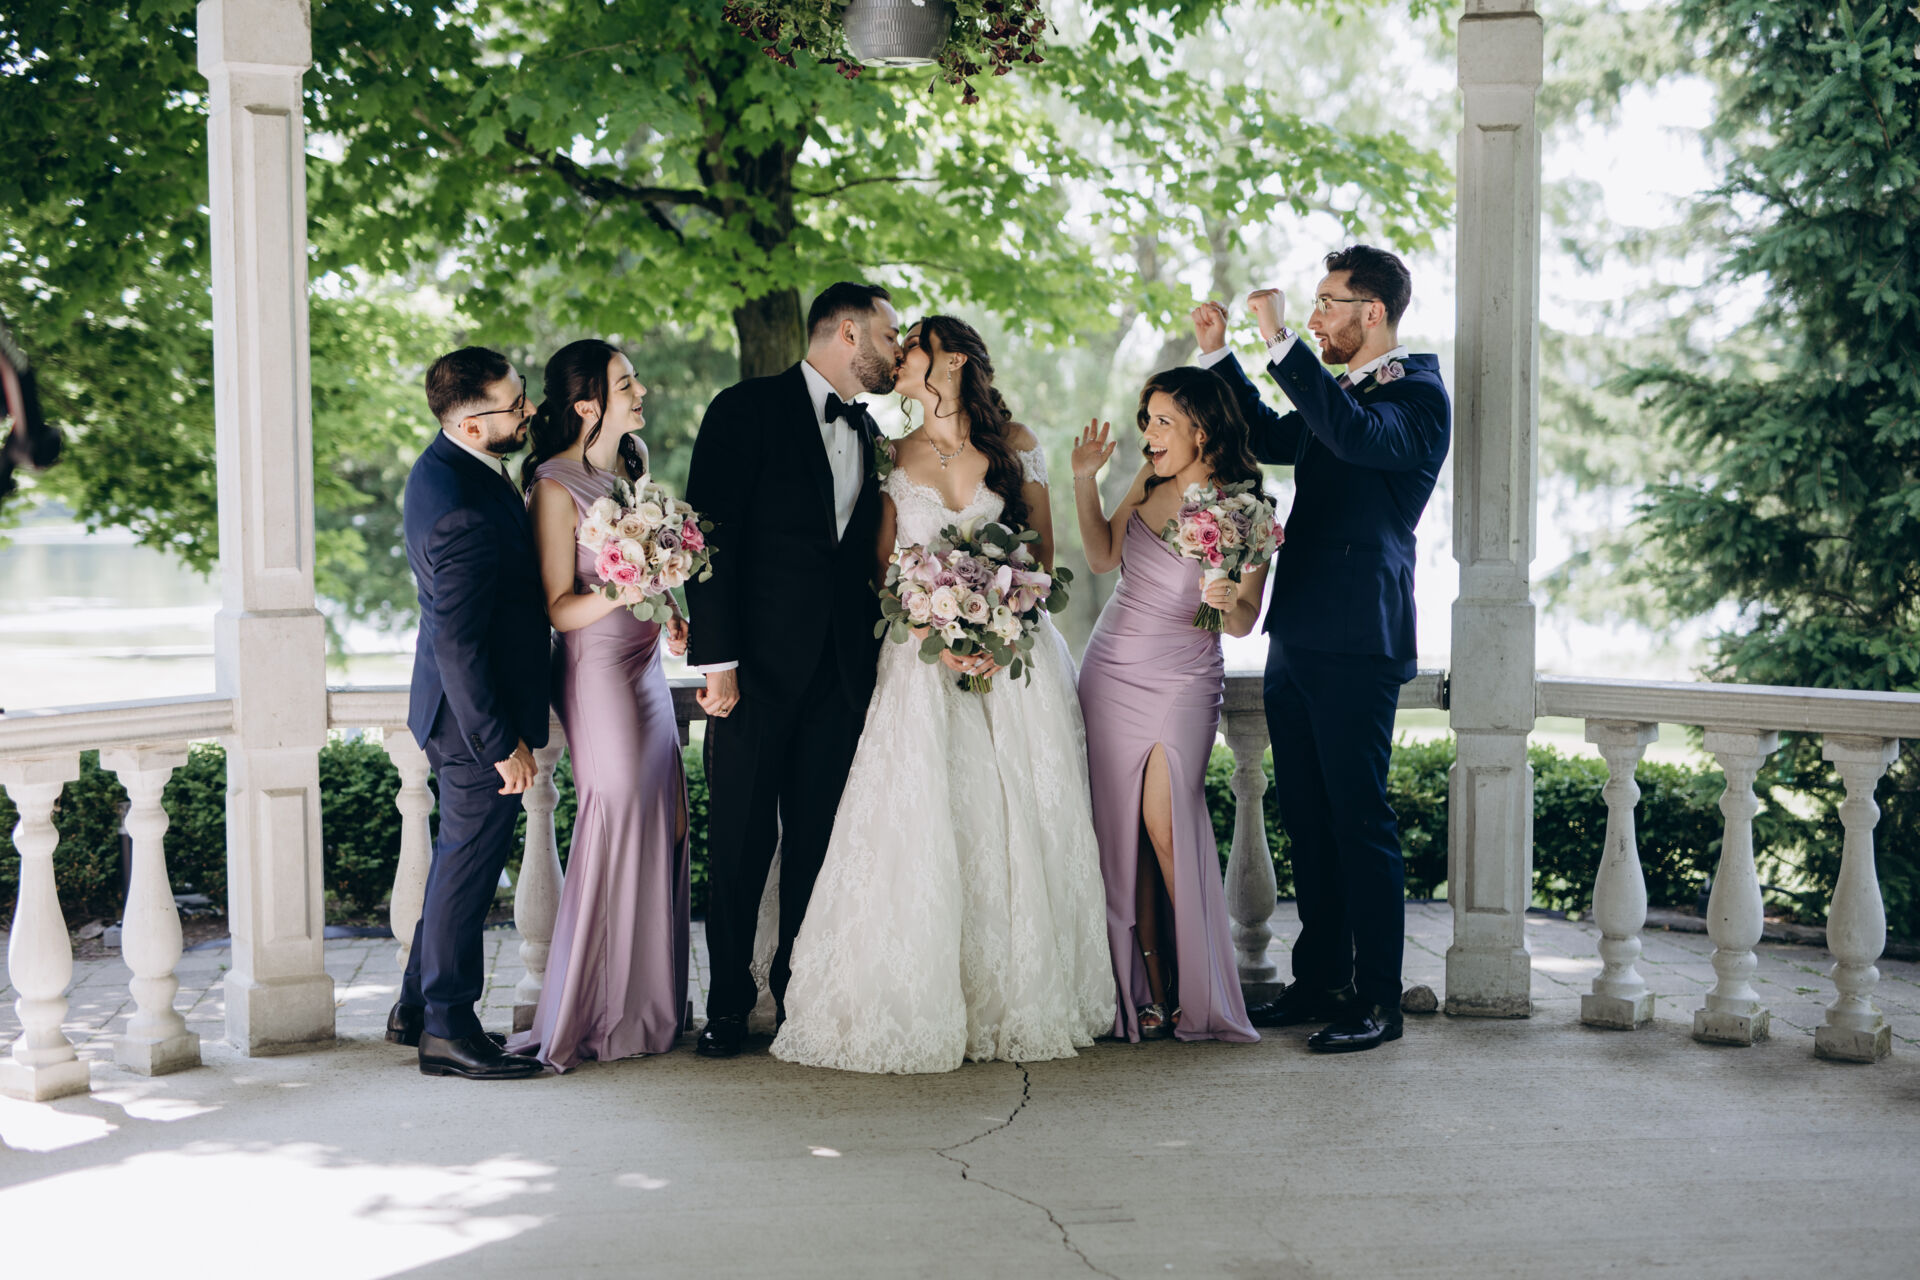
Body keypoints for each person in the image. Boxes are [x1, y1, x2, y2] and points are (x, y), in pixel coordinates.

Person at [770, 315, 1114, 1074]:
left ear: (952, 360)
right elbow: (884, 570)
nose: (897, 357)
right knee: (927, 816)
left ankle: (1015, 995)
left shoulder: (1017, 445)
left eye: (912, 347)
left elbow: (1042, 556)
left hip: (1012, 657)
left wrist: (1000, 624)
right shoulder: (893, 453)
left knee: (1014, 817)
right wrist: (936, 620)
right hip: (922, 664)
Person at [1191, 244, 1451, 1053]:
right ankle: (1321, 982)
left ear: (1372, 312)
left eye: (1326, 304)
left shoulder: (1418, 396)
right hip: (1297, 631)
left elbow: (1352, 436)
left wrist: (1281, 343)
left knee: (1359, 821)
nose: (1313, 319)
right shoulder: (1338, 394)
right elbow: (1276, 434)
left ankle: (1378, 1002)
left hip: (1358, 638)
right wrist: (1220, 357)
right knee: (1307, 819)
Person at [682, 283, 900, 1059]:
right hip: (754, 674)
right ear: (848, 332)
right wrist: (718, 661)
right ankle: (727, 1007)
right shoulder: (742, 410)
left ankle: (797, 996)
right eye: (889, 334)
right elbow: (708, 540)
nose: (897, 349)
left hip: (840, 675)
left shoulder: (871, 431)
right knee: (739, 845)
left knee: (817, 845)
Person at [506, 339, 692, 1072]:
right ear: (587, 404)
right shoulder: (555, 486)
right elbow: (558, 606)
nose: (640, 391)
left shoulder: (628, 473)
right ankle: (598, 1013)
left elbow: (646, 577)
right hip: (597, 675)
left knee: (662, 818)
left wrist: (668, 608)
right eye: (626, 383)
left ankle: (647, 1007)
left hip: (646, 668)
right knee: (615, 820)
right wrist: (625, 590)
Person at [1071, 368, 1267, 1044]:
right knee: (1119, 835)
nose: (1148, 434)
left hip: (1184, 676)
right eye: (1147, 420)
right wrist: (1084, 481)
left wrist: (1227, 601)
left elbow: (1242, 621)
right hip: (1110, 669)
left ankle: (1199, 988)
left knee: (1166, 829)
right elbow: (1102, 557)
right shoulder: (1148, 485)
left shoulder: (1245, 509)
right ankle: (1148, 994)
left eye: (1162, 422)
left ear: (1201, 430)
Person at [390, 346, 549, 1080]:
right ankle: (449, 1030)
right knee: (467, 872)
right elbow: (458, 642)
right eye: (517, 405)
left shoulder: (451, 466)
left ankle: (414, 1008)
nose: (529, 410)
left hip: (454, 711)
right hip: (471, 722)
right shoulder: (460, 506)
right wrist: (500, 743)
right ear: (473, 425)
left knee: (456, 863)